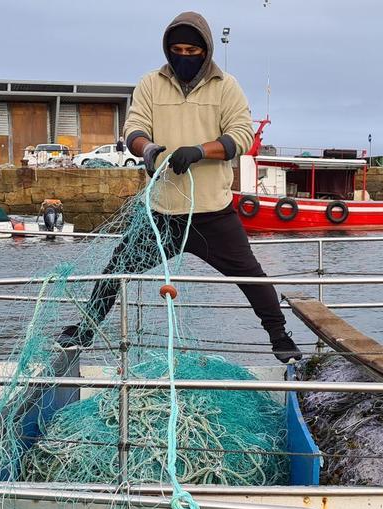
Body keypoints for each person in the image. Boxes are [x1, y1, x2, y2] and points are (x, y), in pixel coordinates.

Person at [59, 11, 301, 363]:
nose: (184, 56)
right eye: (177, 49)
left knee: (252, 277)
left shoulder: (226, 87)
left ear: (206, 50)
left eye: (192, 49)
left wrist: (201, 151)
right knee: (115, 270)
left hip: (212, 214)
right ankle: (84, 330)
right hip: (161, 215)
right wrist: (149, 149)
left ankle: (279, 337)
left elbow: (241, 135)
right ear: (167, 49)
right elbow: (134, 130)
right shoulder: (150, 84)